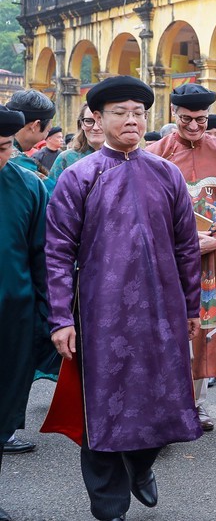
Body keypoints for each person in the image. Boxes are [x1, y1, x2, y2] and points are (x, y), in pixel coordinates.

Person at [43, 76, 203, 521]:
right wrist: (61, 318)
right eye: (121, 112)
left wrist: (191, 308)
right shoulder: (80, 177)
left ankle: (142, 464)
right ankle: (109, 505)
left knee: (161, 398)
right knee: (103, 410)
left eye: (138, 112)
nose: (132, 120)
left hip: (161, 312)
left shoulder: (166, 174)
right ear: (98, 118)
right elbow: (57, 252)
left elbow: (187, 248)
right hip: (100, 313)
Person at [146, 84, 216, 431]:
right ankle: (166, 402)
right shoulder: (154, 153)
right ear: (174, 114)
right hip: (166, 260)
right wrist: (180, 243)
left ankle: (198, 404)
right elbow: (146, 207)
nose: (193, 127)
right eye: (186, 119)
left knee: (205, 329)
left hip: (210, 262)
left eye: (201, 120)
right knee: (166, 328)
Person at [0, 105, 52, 516]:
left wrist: (48, 317)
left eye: (2, 149)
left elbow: (41, 258)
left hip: (12, 318)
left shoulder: (29, 186)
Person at [6, 90, 56, 189]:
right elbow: (54, 198)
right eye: (48, 130)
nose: (45, 138)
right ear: (35, 125)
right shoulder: (20, 164)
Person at [50, 104, 105, 183]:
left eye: (101, 121)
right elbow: (52, 192)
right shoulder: (66, 158)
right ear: (81, 124)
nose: (95, 128)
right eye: (88, 121)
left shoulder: (122, 158)